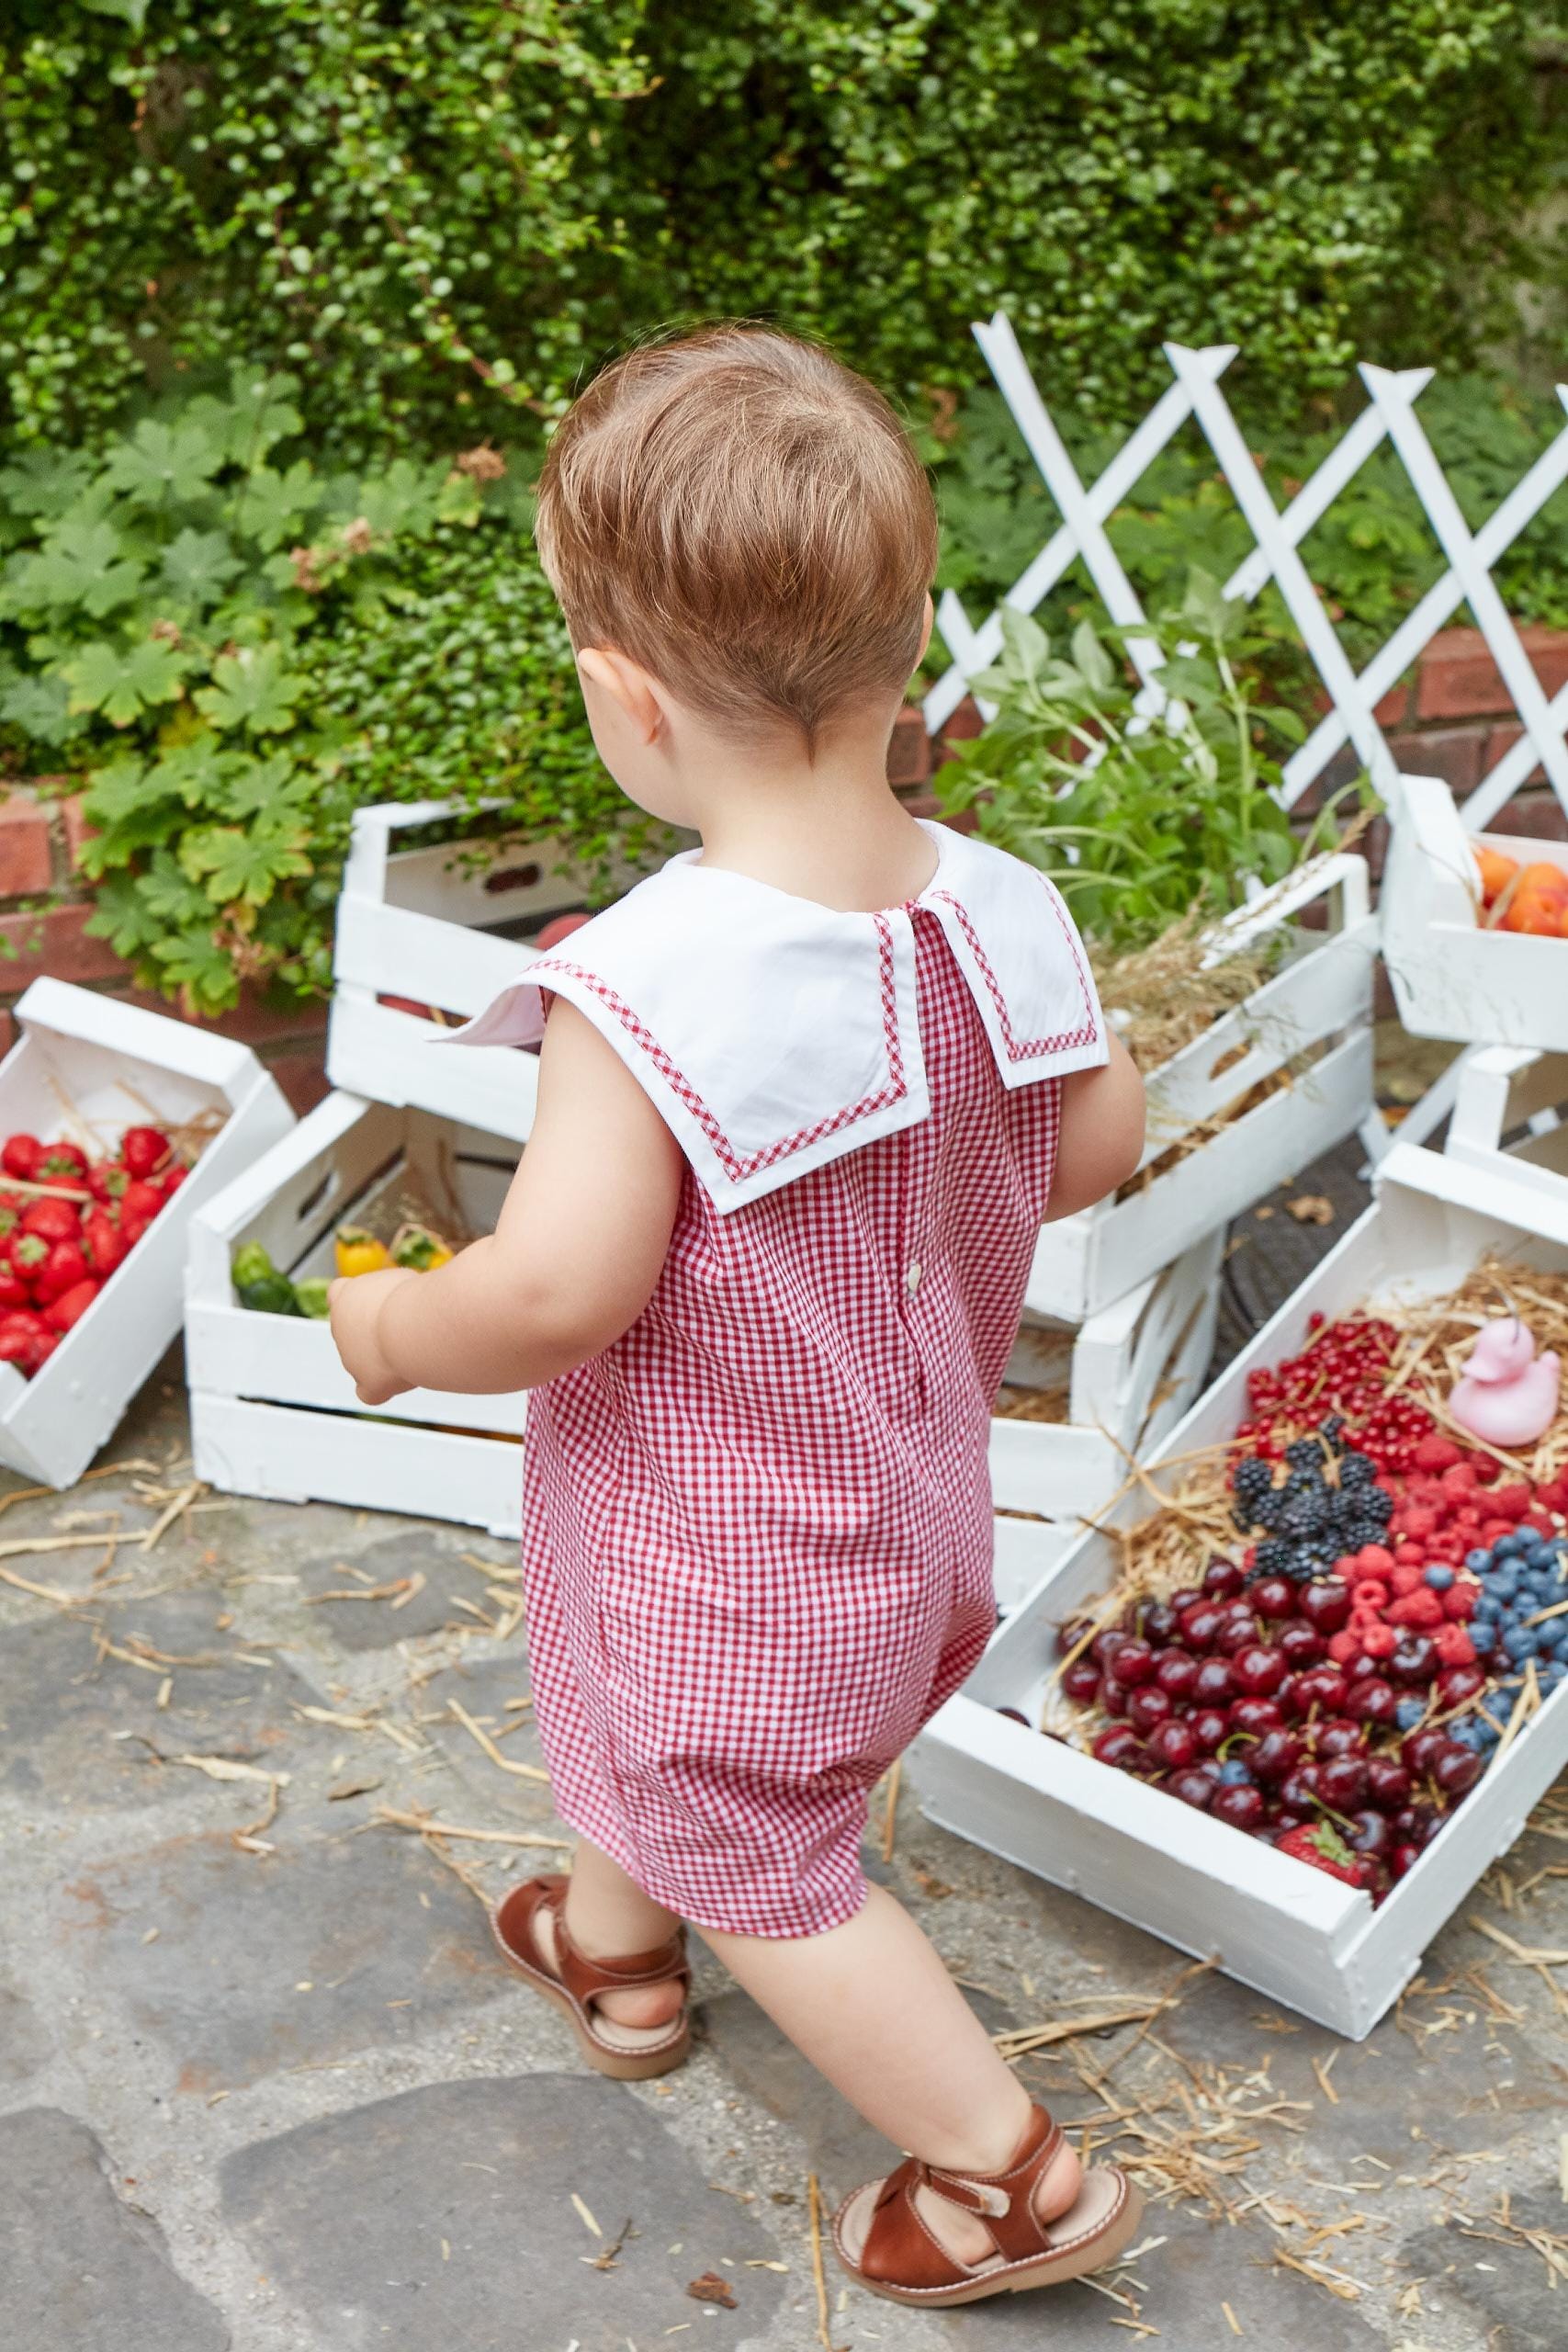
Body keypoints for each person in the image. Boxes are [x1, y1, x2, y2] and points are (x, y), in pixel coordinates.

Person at [328, 324, 1147, 2310]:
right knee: (676, 1753)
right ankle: (615, 1958)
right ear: (907, 646)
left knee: (760, 1835)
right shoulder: (1000, 905)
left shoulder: (648, 982)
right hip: (909, 1513)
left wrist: (397, 1329)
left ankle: (1004, 2172)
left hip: (734, 1549)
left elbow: (558, 1288)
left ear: (624, 698)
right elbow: (1096, 1142)